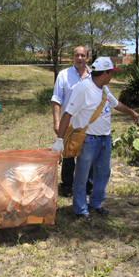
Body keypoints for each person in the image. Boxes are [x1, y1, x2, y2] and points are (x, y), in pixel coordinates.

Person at [51, 57, 139, 222]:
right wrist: (59, 139)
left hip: (105, 139)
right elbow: (67, 114)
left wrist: (131, 112)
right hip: (88, 140)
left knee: (103, 173)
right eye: (111, 73)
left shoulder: (104, 89)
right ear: (105, 73)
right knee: (82, 175)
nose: (112, 76)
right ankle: (80, 209)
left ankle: (96, 203)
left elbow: (116, 104)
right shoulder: (83, 88)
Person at [51, 46, 92, 197]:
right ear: (72, 57)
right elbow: (56, 100)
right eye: (77, 55)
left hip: (89, 124)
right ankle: (67, 186)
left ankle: (88, 186)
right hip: (68, 123)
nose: (79, 58)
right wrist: (57, 123)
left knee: (87, 155)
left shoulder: (93, 76)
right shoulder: (63, 75)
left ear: (87, 58)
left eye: (83, 55)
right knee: (68, 156)